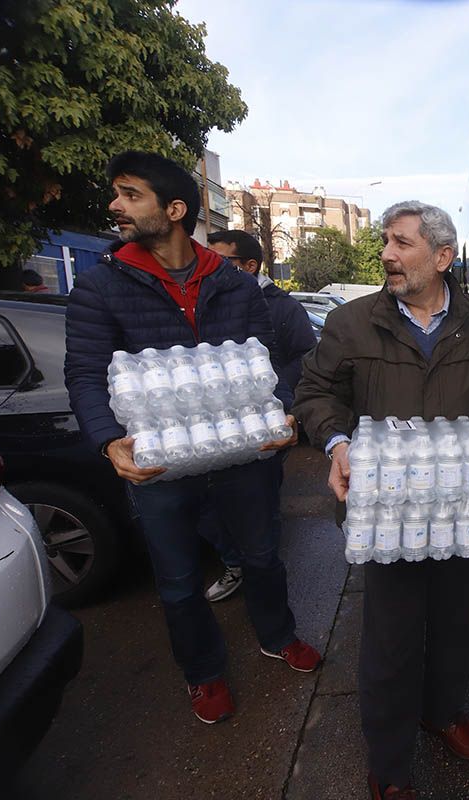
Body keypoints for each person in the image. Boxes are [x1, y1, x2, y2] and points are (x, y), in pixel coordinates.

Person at [63, 150, 321, 726]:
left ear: (174, 209)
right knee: (179, 581)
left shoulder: (231, 282)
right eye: (117, 192)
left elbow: (268, 362)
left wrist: (282, 414)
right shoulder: (103, 286)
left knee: (261, 555)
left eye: (131, 194)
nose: (115, 205)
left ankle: (278, 635)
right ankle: (203, 674)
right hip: (158, 461)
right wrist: (109, 441)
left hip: (243, 450)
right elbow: (83, 373)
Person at [292, 201, 469, 800]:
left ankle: (442, 711)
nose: (387, 256)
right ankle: (390, 758)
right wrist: (337, 442)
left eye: (402, 244)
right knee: (392, 639)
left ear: (443, 257)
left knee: (457, 626)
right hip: (386, 516)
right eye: (385, 243)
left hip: (460, 510)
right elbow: (314, 392)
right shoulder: (352, 324)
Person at [199, 229, 317, 602]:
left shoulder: (282, 307)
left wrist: (273, 395)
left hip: (265, 424)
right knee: (206, 509)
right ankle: (235, 563)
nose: (208, 267)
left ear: (249, 266)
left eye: (220, 261)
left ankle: (263, 579)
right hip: (212, 426)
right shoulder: (208, 301)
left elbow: (304, 358)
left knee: (259, 508)